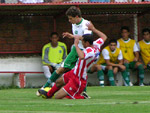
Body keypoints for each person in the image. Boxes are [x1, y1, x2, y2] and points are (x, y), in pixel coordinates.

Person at [38, 21, 107, 99]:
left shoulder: (90, 51)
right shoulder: (96, 44)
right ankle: (48, 95)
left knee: (58, 97)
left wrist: (76, 45)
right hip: (74, 73)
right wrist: (93, 29)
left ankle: (81, 97)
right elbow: (104, 37)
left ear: (87, 43)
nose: (82, 43)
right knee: (58, 82)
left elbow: (81, 56)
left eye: (83, 42)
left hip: (79, 78)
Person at [41, 6, 92, 96]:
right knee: (61, 68)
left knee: (81, 71)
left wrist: (73, 36)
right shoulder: (74, 23)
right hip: (75, 49)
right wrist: (72, 36)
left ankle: (83, 92)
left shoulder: (86, 24)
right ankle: (45, 86)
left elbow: (88, 39)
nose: (69, 21)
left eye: (70, 18)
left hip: (84, 51)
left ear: (76, 17)